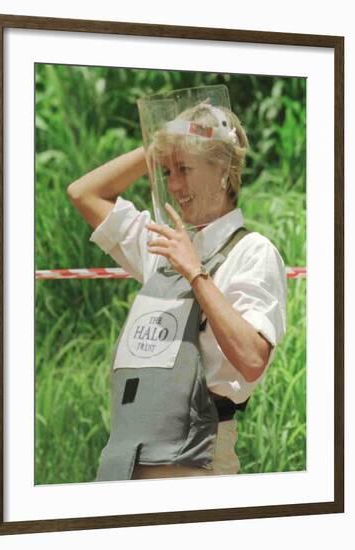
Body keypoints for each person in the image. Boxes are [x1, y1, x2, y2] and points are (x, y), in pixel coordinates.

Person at [67, 86, 287, 480]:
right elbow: (84, 193)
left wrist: (196, 274)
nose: (174, 185)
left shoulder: (254, 252)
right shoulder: (164, 245)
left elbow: (253, 360)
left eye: (183, 169)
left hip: (197, 465)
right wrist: (158, 146)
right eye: (167, 172)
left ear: (222, 171)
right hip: (126, 462)